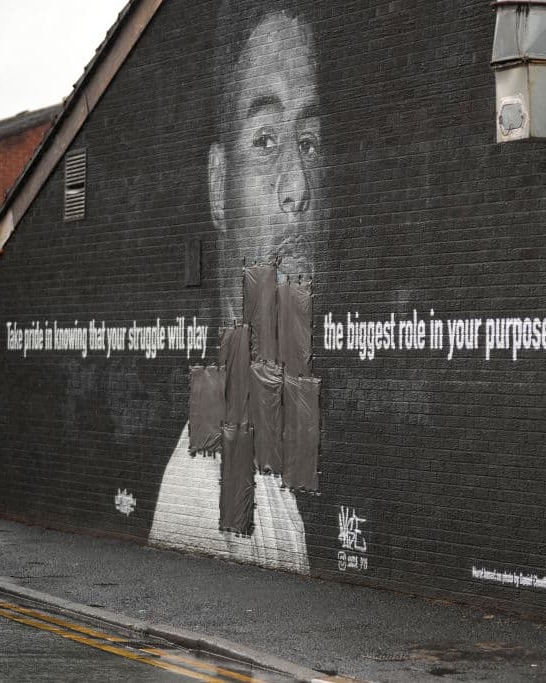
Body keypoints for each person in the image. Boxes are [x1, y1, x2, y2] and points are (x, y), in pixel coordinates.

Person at [149, 1, 323, 573]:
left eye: (311, 142)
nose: (298, 186)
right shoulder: (210, 491)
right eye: (266, 141)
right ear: (219, 184)